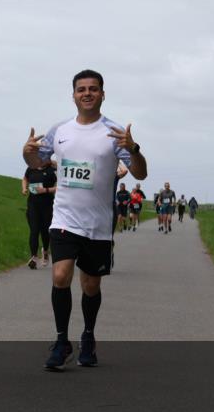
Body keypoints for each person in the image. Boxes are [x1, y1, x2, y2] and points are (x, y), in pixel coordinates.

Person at [23, 69, 147, 371]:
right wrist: (27, 153)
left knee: (91, 286)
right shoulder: (60, 130)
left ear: (102, 94)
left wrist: (133, 149)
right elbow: (37, 161)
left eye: (93, 89)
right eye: (81, 89)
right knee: (60, 276)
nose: (87, 93)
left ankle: (88, 335)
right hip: (64, 218)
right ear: (74, 95)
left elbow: (140, 173)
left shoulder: (115, 133)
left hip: (98, 224)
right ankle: (61, 341)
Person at [23, 159, 57, 268]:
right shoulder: (31, 168)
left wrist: (45, 190)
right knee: (34, 230)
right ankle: (33, 257)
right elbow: (25, 178)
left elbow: (60, 187)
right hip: (33, 205)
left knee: (45, 231)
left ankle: (45, 251)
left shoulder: (52, 170)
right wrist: (24, 188)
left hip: (47, 205)